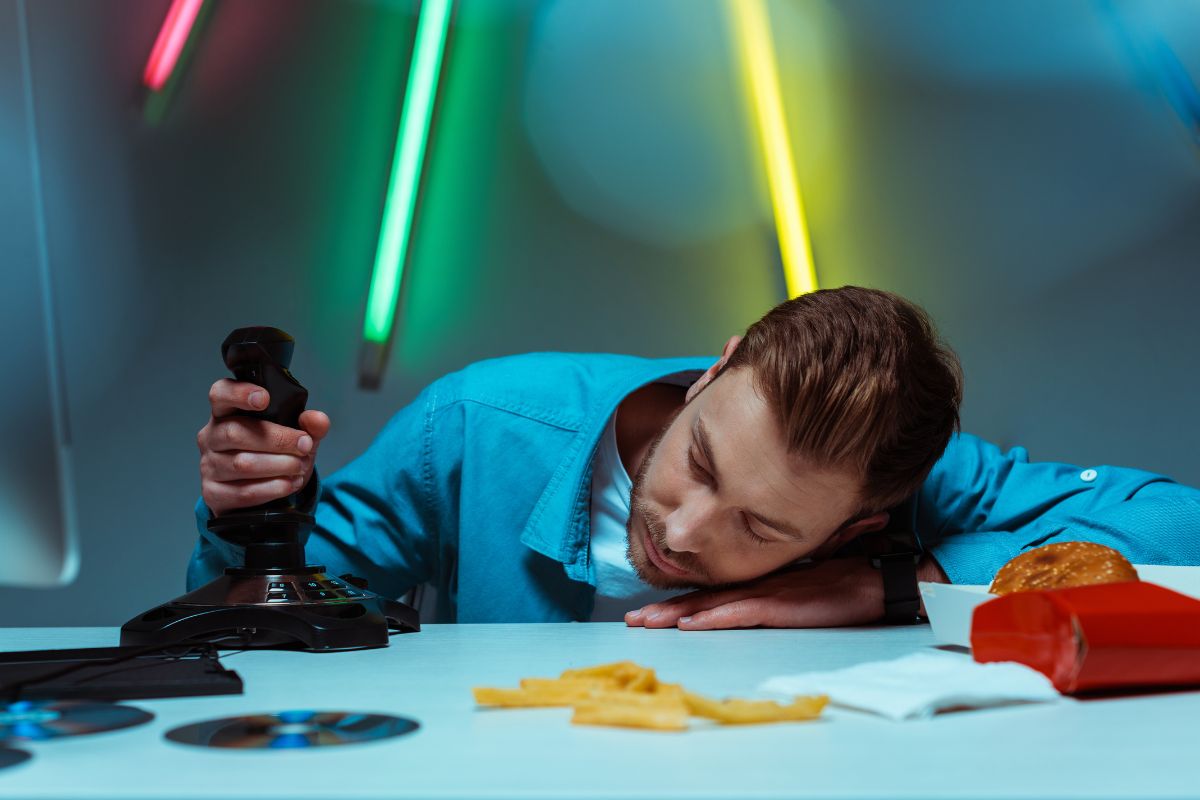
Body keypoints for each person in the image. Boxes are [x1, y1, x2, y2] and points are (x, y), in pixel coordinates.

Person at [190, 287, 1200, 626]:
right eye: (702, 463)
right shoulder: (478, 423)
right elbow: (252, 625)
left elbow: (1179, 532)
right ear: (715, 373)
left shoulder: (913, 488)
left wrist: (908, 579)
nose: (679, 531)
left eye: (761, 527)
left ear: (853, 524)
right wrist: (247, 513)